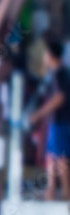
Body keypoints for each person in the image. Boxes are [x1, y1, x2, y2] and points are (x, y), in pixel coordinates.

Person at [28, 37, 70, 201]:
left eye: (45, 53)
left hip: (61, 121)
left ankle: (67, 192)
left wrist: (40, 113)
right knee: (52, 156)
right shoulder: (55, 74)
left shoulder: (60, 73)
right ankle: (50, 189)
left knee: (61, 157)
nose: (44, 56)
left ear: (51, 55)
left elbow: (60, 97)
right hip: (55, 122)